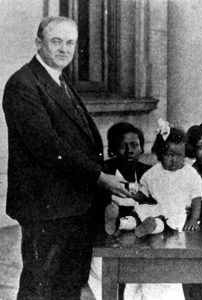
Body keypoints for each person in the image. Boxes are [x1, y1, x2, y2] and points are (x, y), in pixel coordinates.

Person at [2, 16, 131, 300]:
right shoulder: (23, 84)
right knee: (41, 287)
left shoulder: (58, 78)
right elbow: (49, 148)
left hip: (73, 206)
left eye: (70, 43)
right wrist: (100, 177)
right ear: (39, 43)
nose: (64, 49)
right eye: (56, 42)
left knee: (68, 287)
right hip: (47, 209)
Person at [124, 119, 202, 300]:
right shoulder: (154, 172)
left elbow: (196, 199)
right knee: (140, 211)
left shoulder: (190, 174)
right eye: (169, 154)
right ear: (160, 154)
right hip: (158, 207)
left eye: (179, 155)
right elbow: (143, 194)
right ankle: (125, 223)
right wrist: (132, 193)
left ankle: (149, 226)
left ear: (185, 154)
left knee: (161, 221)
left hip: (176, 214)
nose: (174, 159)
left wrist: (193, 220)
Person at [88, 122, 151, 300]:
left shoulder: (148, 173)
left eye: (134, 145)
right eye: (122, 146)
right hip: (110, 235)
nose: (130, 151)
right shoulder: (104, 174)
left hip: (139, 233)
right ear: (113, 150)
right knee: (104, 272)